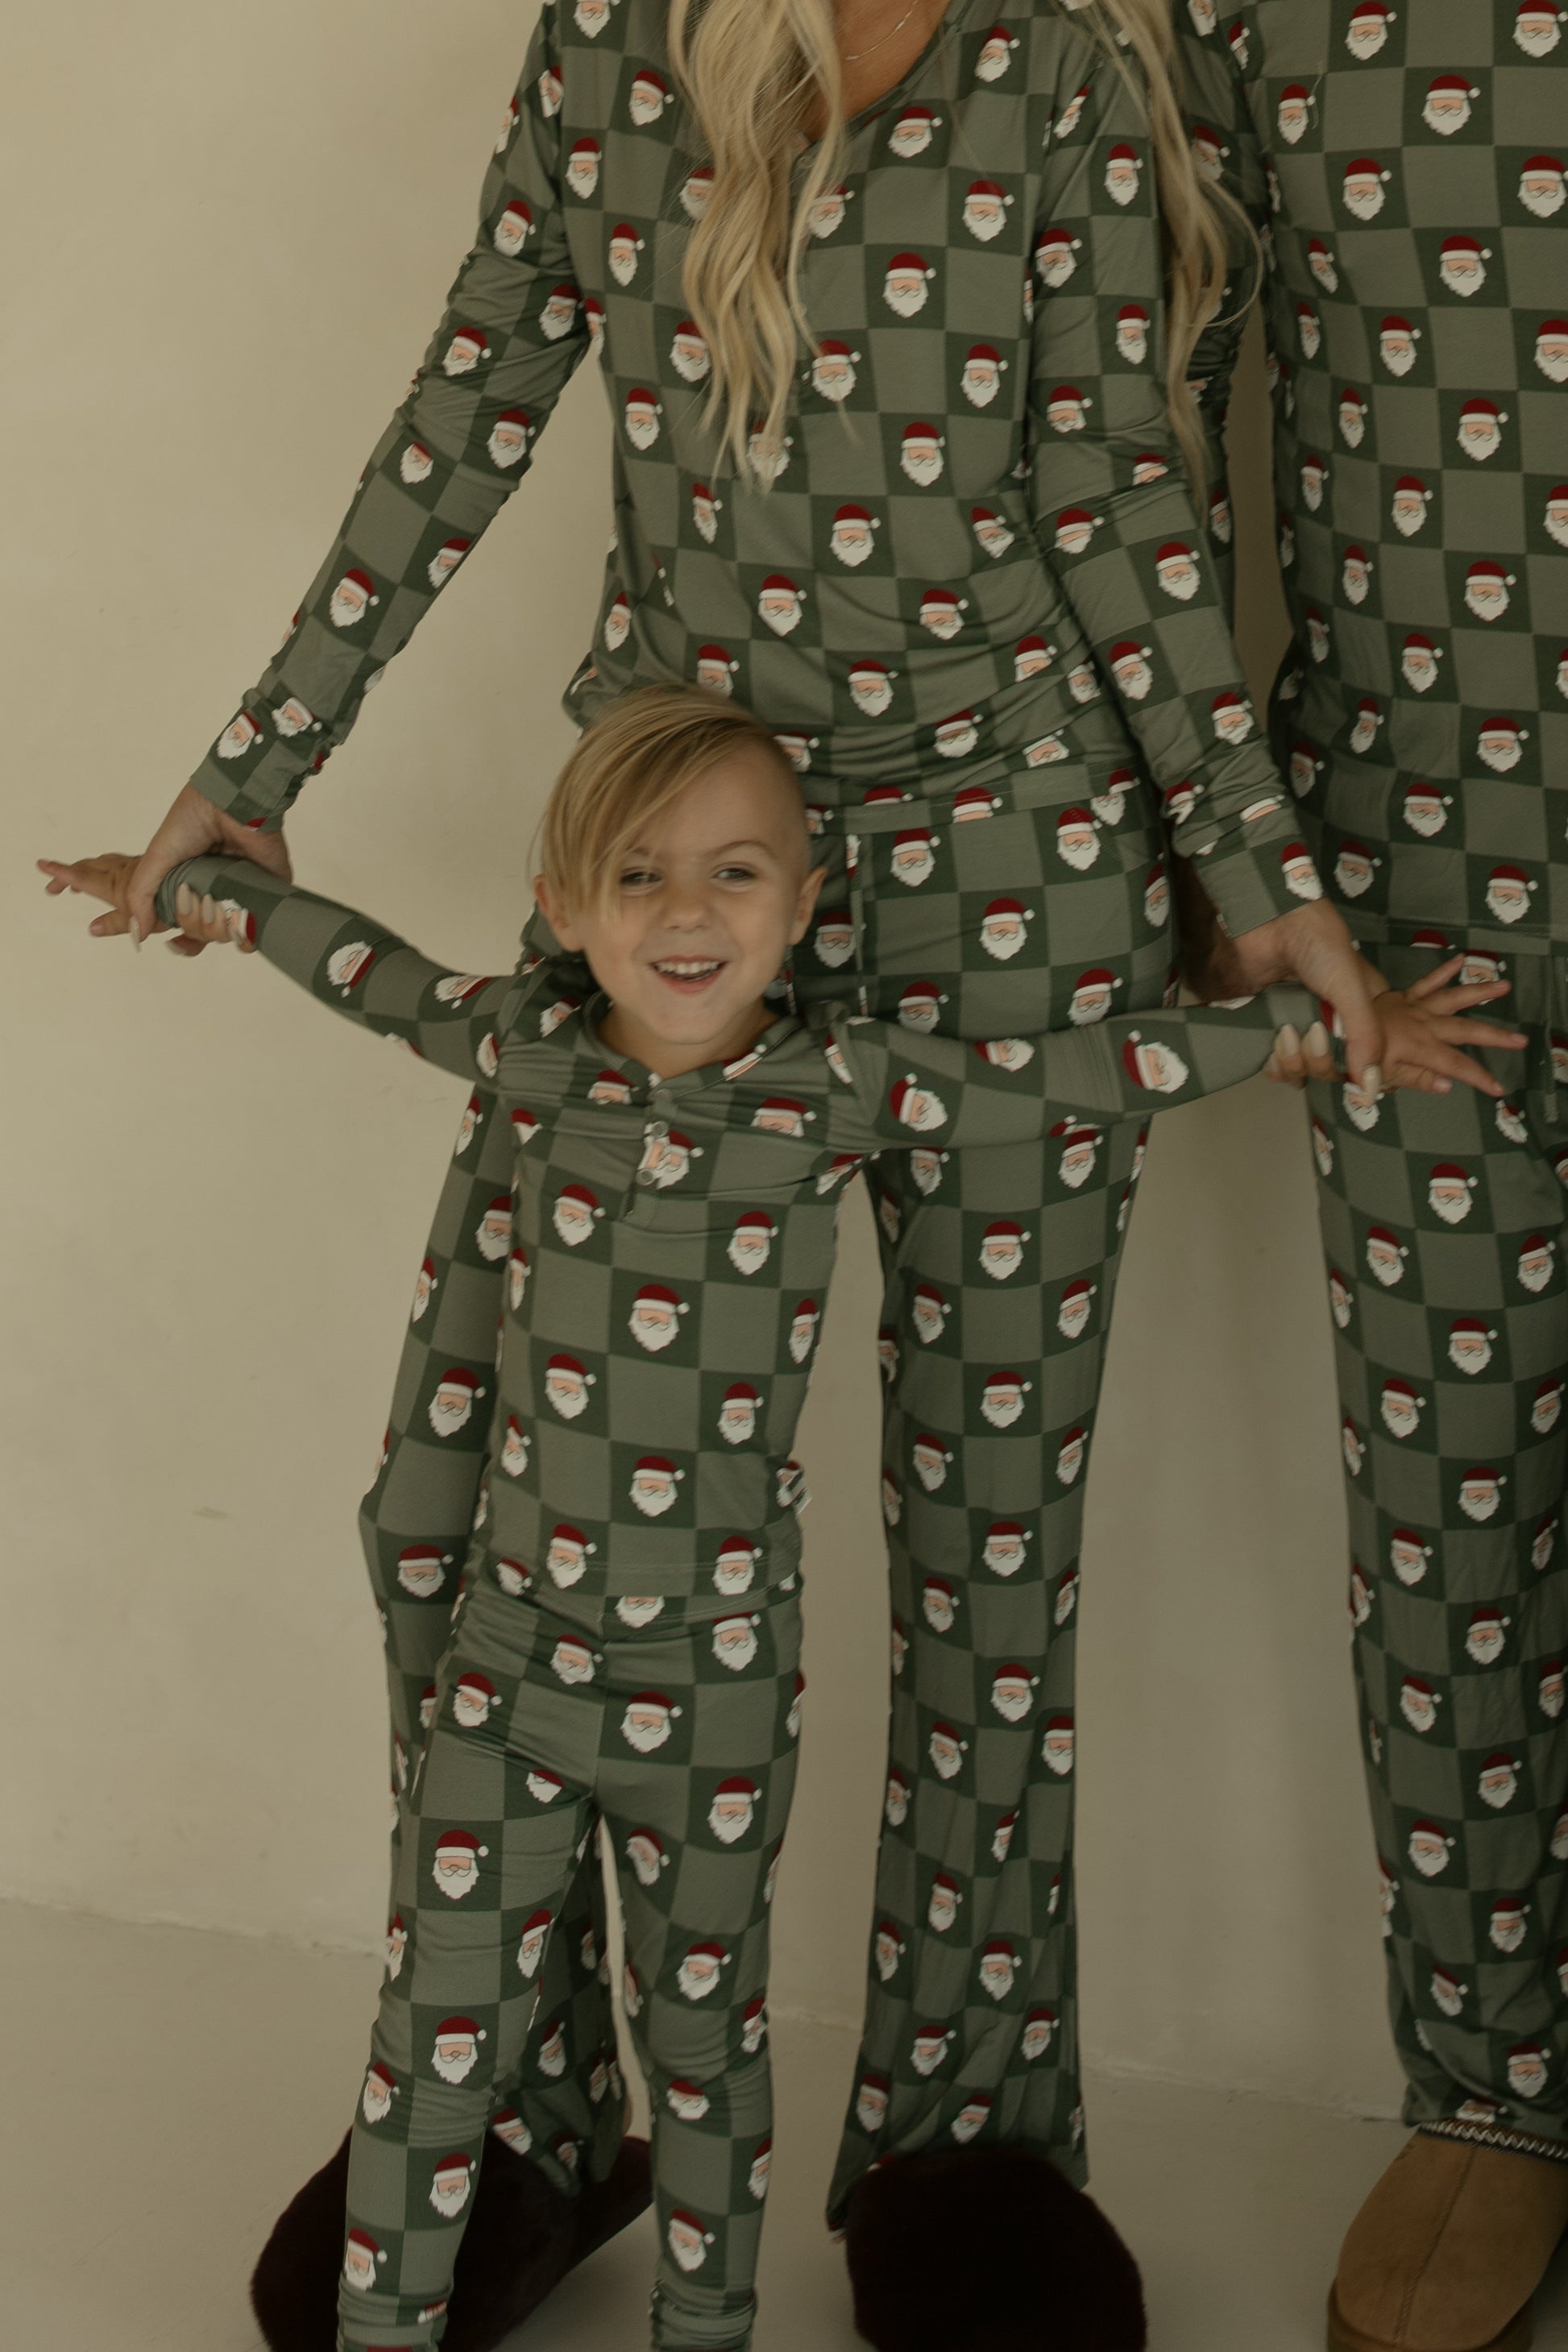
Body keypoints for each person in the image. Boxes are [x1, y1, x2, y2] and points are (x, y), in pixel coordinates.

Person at [82, 0, 1415, 2337]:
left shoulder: (1064, 74)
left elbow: (1111, 491)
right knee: (454, 1498)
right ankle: (526, 2101)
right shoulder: (616, 37)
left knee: (988, 1563)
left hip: (1025, 855)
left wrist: (1254, 870)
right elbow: (482, 369)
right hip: (672, 851)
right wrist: (267, 751)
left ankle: (965, 2147)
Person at [42, 683, 1512, 2352]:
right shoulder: (525, 1052)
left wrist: (1328, 1027)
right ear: (562, 904)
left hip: (715, 1697)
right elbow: (356, 960)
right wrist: (182, 885)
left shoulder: (842, 1090)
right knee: (425, 2048)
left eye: (735, 874)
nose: (685, 913)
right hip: (509, 1676)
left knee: (706, 2053)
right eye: (640, 874)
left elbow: (1093, 1066)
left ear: (806, 903)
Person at [1176, 8, 1568, 2349]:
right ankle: (1494, 2088)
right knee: (1450, 1500)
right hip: (1412, 891)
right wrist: (1234, 841)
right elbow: (1147, 412)